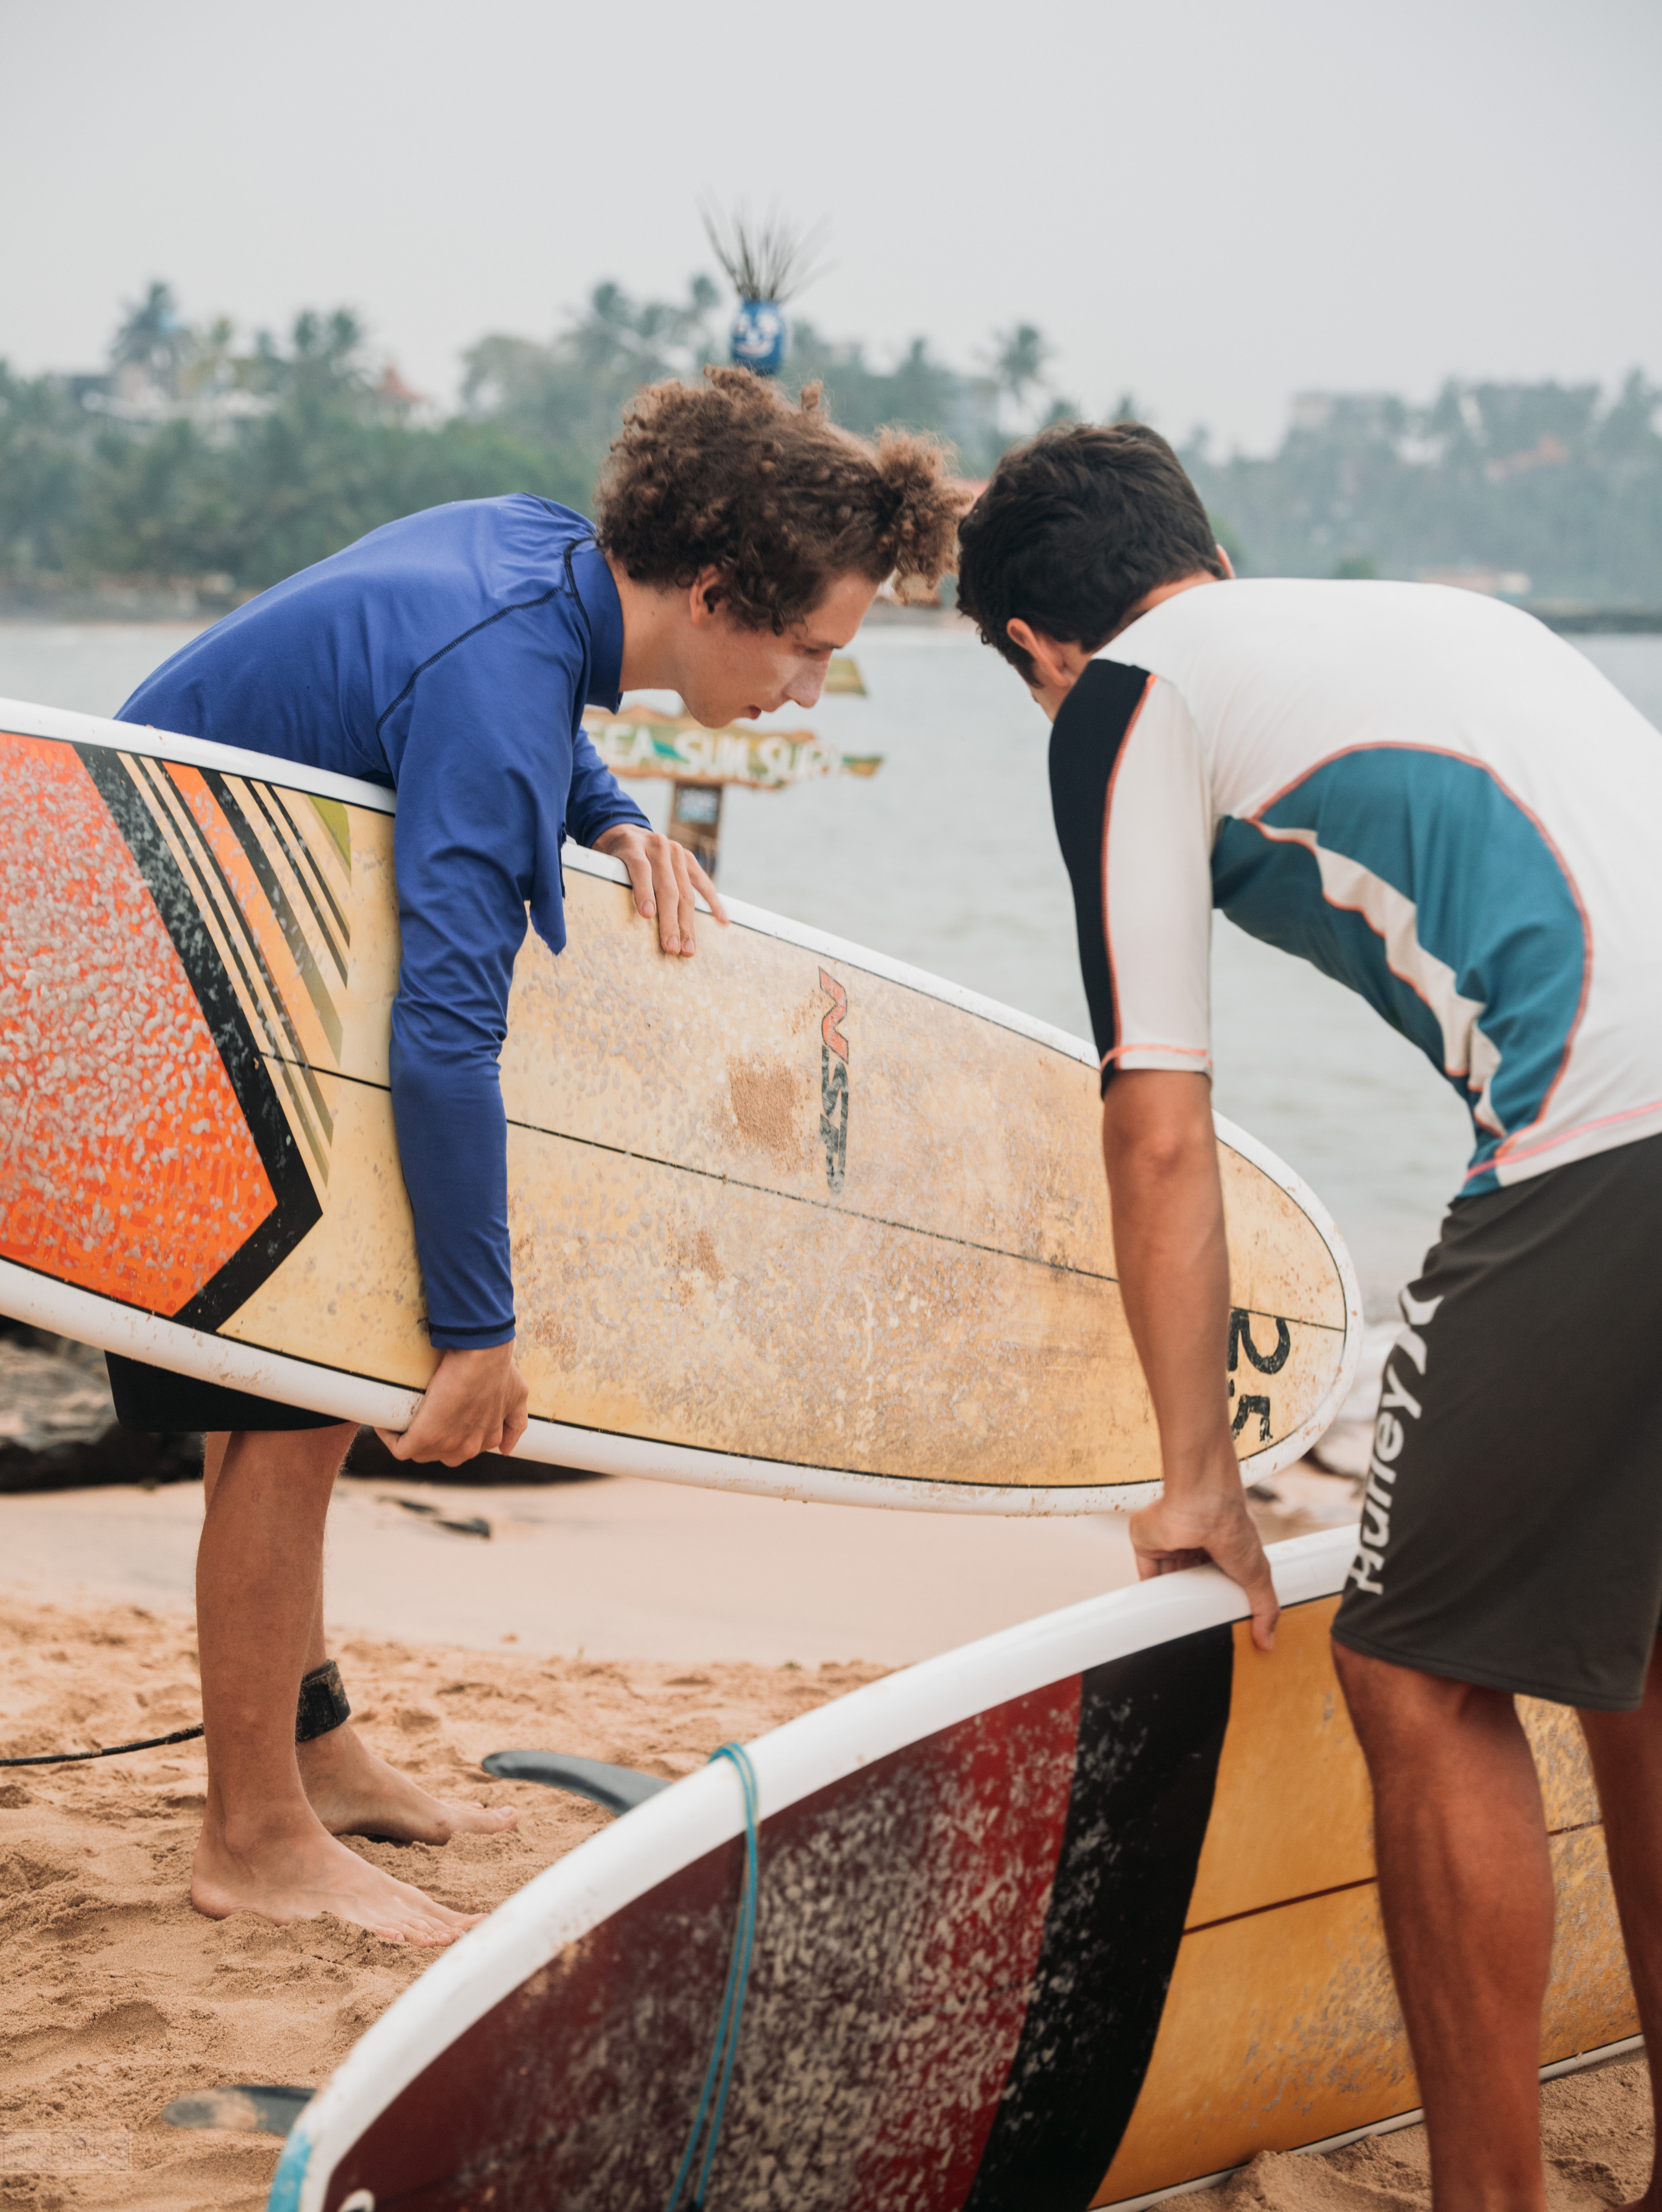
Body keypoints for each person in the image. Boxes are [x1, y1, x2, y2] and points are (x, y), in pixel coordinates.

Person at [108, 368, 963, 1945]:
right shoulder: (510, 673)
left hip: (159, 943)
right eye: (808, 649)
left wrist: (610, 806)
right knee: (299, 1396)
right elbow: (446, 1033)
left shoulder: (528, 560)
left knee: (287, 1392)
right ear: (714, 594)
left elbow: (474, 703)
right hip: (143, 978)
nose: (805, 692)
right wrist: (478, 1329)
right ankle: (251, 1837)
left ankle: (307, 1753)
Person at [955, 421, 1662, 2212]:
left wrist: (1197, 1473)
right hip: (1621, 1117)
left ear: (1036, 646)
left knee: (1413, 1669)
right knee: (1638, 1654)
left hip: (1610, 1129)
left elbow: (1159, 1125)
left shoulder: (1124, 699)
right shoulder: (1425, 620)